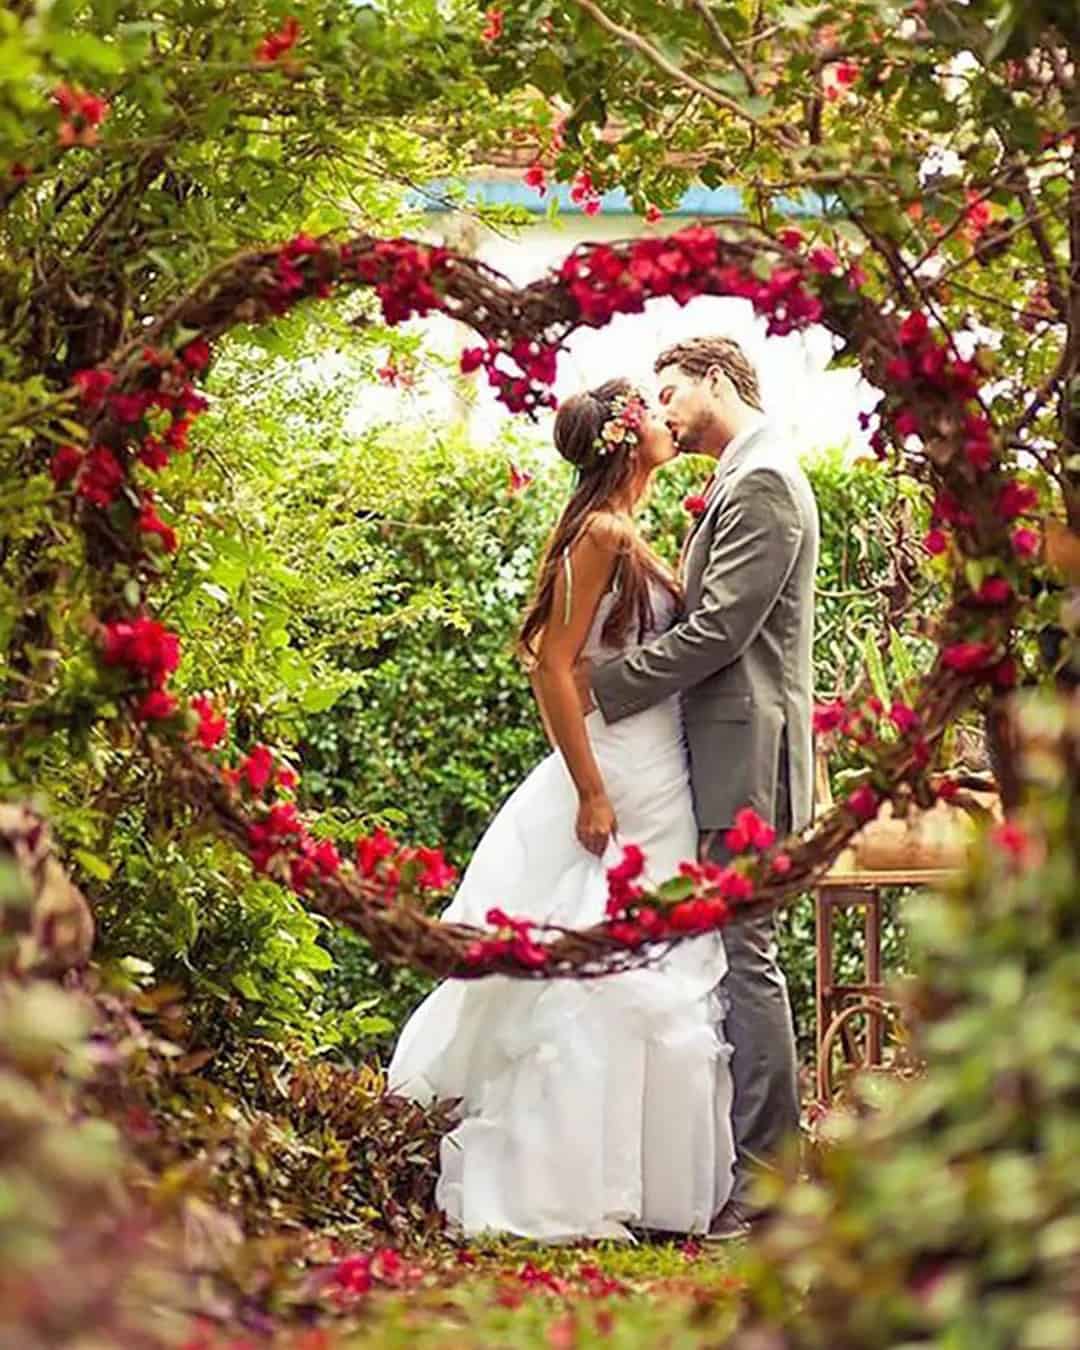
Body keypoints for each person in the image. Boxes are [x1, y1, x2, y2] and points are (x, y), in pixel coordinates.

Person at [387, 377, 734, 1241]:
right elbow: (551, 665)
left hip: (657, 764)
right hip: (620, 771)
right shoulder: (602, 533)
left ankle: (649, 1182)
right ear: (623, 438)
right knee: (605, 967)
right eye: (651, 411)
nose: (667, 418)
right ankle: (566, 1179)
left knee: (655, 962)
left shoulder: (631, 529)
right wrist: (589, 788)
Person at [583, 337, 820, 1240]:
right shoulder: (741, 475)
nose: (663, 411)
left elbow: (720, 631)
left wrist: (600, 689)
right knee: (734, 955)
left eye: (672, 391)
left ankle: (768, 1187)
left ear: (718, 380)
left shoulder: (763, 481)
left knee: (746, 959)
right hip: (726, 757)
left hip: (748, 762)